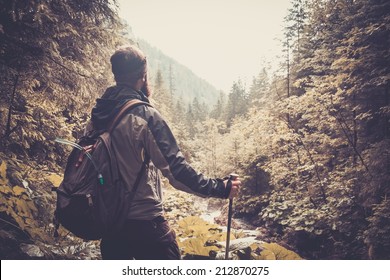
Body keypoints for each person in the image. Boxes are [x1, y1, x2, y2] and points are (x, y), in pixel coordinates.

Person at [88, 45, 241, 260]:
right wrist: (221, 188)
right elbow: (177, 173)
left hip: (111, 228)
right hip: (146, 228)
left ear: (116, 75)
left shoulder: (97, 116)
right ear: (143, 75)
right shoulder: (145, 116)